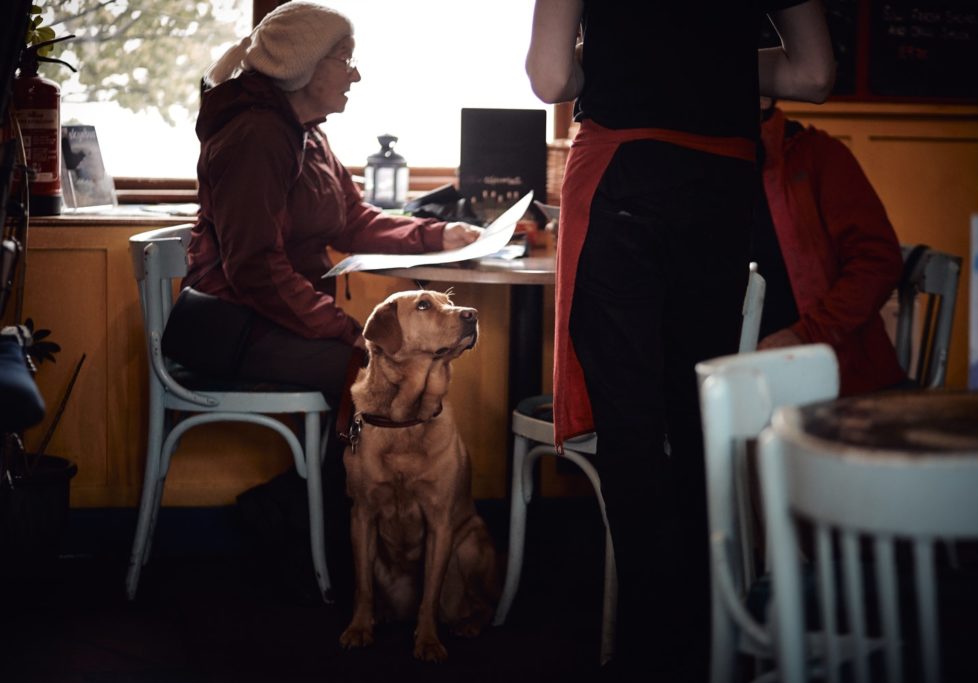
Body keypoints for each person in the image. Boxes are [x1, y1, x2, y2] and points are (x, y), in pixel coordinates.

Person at [526, 1, 835, 679]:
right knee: (701, 423)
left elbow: (550, 79)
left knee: (632, 433)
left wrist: (624, 57)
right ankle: (705, 647)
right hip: (721, 184)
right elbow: (814, 76)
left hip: (623, 170)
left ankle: (649, 655)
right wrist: (712, 61)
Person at [163, 1, 481, 409]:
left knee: (386, 366)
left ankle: (329, 456)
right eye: (345, 59)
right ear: (303, 65)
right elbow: (255, 268)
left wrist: (438, 234)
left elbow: (351, 219)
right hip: (229, 327)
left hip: (269, 317)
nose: (356, 74)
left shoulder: (306, 134)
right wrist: (343, 328)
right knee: (384, 374)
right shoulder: (256, 136)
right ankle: (338, 457)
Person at [755, 99, 907, 394]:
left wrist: (806, 334)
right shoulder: (701, 169)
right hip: (740, 384)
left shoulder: (818, 155)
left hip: (837, 383)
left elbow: (877, 261)